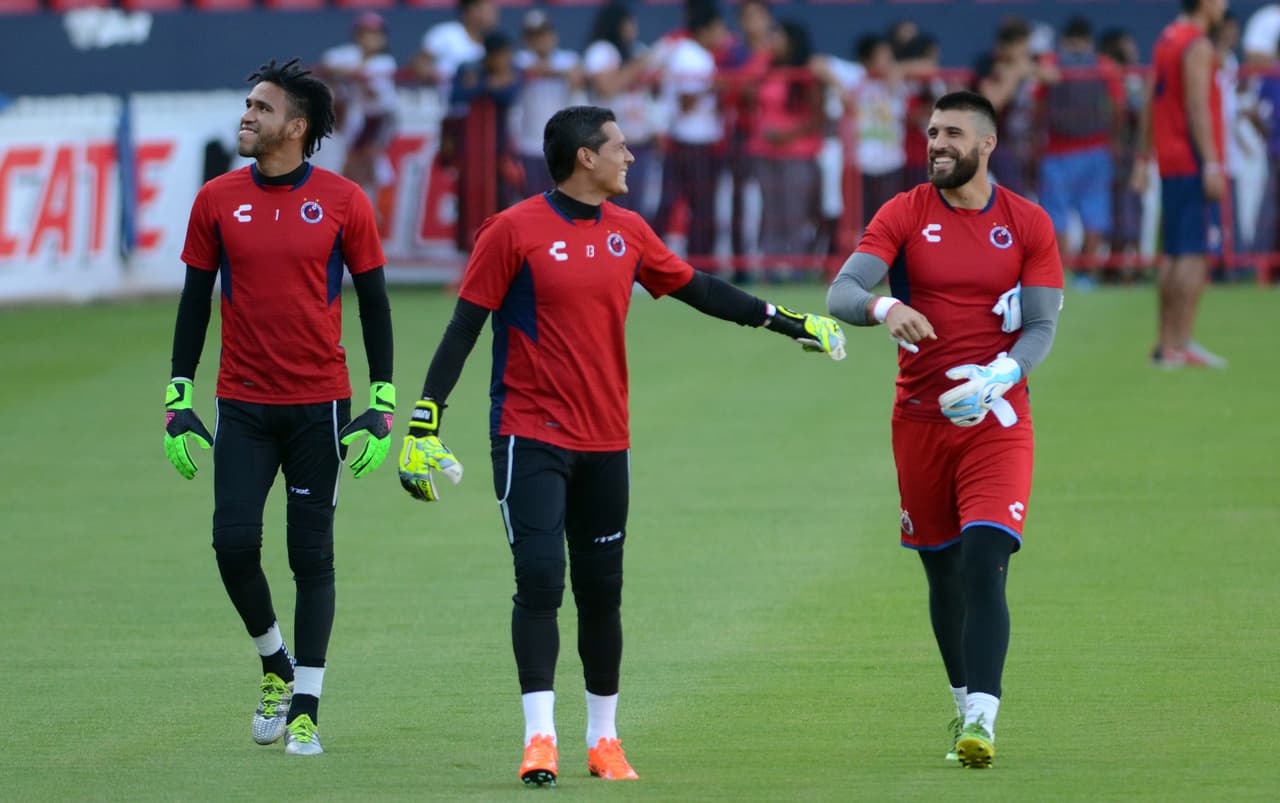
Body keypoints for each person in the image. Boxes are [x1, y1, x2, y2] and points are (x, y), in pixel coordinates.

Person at [396, 105, 847, 787]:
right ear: (585, 157)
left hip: (607, 440)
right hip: (529, 434)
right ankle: (539, 738)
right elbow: (463, 327)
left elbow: (697, 288)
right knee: (542, 579)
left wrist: (786, 321)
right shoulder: (512, 231)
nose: (630, 158)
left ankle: (603, 740)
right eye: (620, 147)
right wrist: (424, 421)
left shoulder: (629, 231)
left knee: (603, 592)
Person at [161, 58, 396, 757]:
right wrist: (178, 394)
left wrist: (382, 399)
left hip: (319, 406)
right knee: (232, 544)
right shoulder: (215, 200)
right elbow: (193, 302)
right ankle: (274, 660)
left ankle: (307, 706)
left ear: (296, 126)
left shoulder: (346, 201)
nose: (247, 115)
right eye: (246, 105)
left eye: (261, 108)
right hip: (242, 403)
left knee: (309, 553)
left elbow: (376, 304)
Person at [826, 90, 1064, 769]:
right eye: (932, 132)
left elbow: (1043, 324)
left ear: (986, 145)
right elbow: (842, 291)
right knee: (944, 570)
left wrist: (1004, 375)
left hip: (997, 419)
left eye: (953, 133)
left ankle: (982, 721)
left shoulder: (1026, 222)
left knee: (987, 557)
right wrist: (884, 303)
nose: (938, 144)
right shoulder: (904, 212)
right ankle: (962, 699)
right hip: (921, 420)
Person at [1131, 0, 1229, 368]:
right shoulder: (1197, 45)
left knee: (1174, 252)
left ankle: (1167, 343)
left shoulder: (1166, 39)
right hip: (1192, 161)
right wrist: (1213, 163)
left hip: (1171, 160)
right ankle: (1179, 344)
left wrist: (1143, 158)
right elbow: (1197, 106)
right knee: (1192, 253)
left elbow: (1149, 104)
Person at [1035, 15, 1122, 286]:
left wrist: (1036, 137)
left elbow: (1038, 106)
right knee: (1092, 213)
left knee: (1058, 215)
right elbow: (1118, 106)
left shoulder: (1051, 64)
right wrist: (1113, 138)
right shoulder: (1103, 66)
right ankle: (1085, 275)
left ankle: (1062, 276)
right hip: (1092, 150)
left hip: (1060, 152)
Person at [319, 12, 399, 206]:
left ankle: (370, 213)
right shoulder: (347, 54)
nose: (371, 39)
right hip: (350, 120)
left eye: (376, 34)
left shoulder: (385, 62)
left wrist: (357, 73)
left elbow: (375, 94)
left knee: (371, 167)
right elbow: (326, 65)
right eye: (366, 33)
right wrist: (351, 71)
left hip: (377, 120)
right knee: (346, 169)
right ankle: (353, 209)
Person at [511, 10, 584, 196]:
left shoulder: (568, 59)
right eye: (534, 36)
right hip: (529, 145)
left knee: (562, 200)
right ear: (527, 39)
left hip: (560, 145)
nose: (541, 40)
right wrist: (560, 74)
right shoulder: (520, 60)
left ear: (553, 35)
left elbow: (577, 77)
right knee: (533, 201)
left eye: (544, 34)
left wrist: (566, 74)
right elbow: (526, 71)